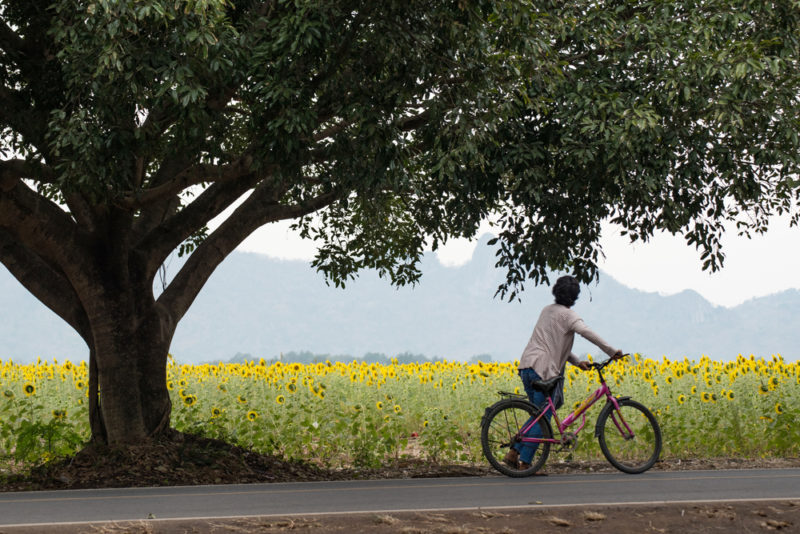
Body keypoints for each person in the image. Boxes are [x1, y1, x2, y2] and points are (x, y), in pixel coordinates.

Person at [505, 275, 623, 469]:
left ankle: (513, 452)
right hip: (544, 370)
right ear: (574, 297)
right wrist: (611, 351)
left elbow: (553, 344)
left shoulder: (547, 311)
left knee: (538, 414)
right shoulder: (569, 316)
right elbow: (587, 333)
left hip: (527, 367)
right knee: (543, 418)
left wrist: (577, 362)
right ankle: (525, 463)